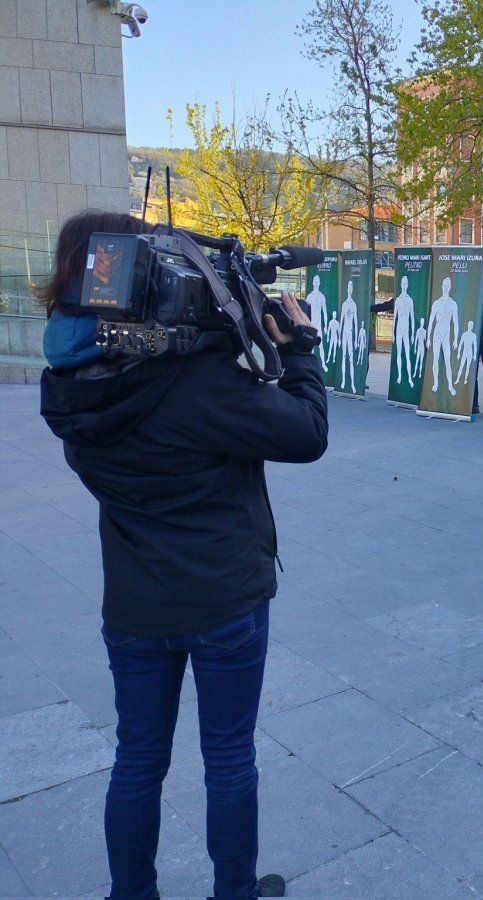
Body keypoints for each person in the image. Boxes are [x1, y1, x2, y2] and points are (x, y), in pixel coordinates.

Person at [38, 210, 328, 900]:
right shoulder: (198, 384)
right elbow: (307, 432)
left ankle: (129, 893)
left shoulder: (75, 388)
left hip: (135, 604)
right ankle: (234, 891)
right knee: (229, 759)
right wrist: (300, 350)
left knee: (137, 760)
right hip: (224, 598)